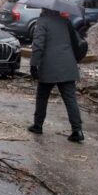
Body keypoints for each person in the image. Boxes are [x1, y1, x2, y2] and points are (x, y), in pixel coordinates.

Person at [28, 8, 84, 142]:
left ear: (44, 9)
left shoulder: (42, 21)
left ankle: (38, 125)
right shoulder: (65, 21)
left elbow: (38, 45)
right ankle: (77, 130)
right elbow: (76, 41)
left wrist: (33, 64)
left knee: (42, 96)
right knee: (70, 99)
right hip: (68, 64)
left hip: (49, 66)